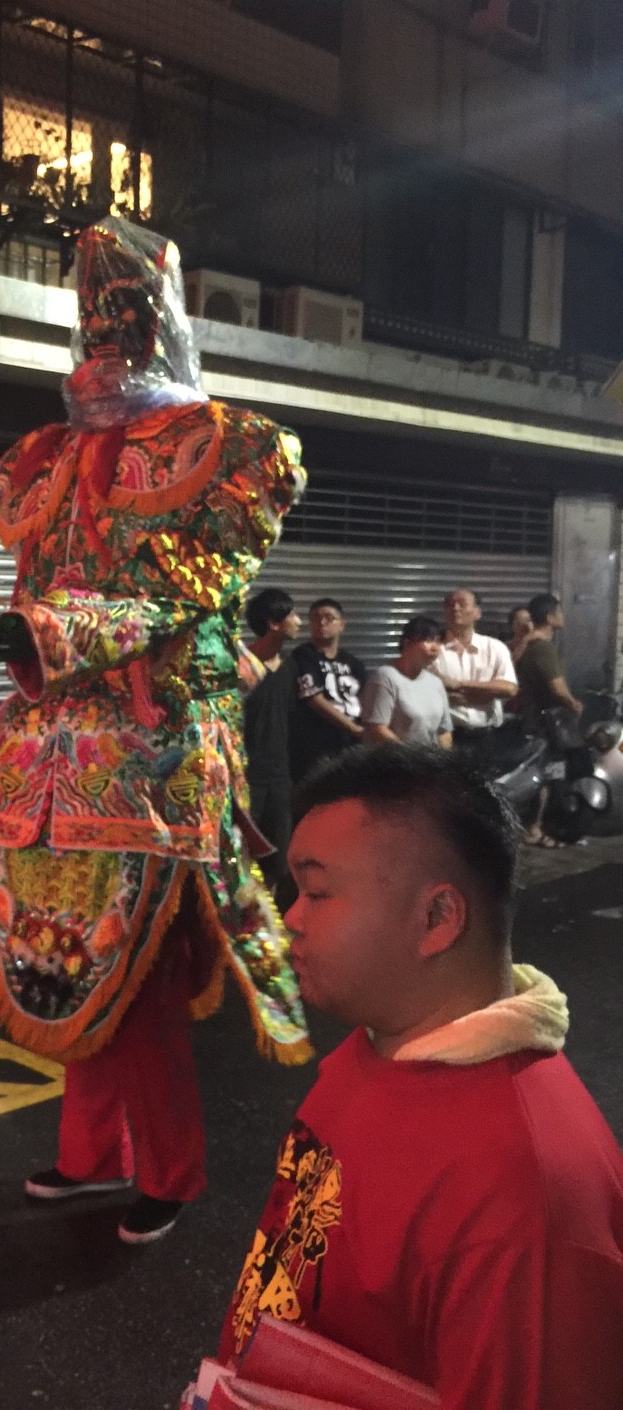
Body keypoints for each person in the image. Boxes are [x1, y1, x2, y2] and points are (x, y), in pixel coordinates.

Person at [0, 216, 310, 1248]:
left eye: (124, 317)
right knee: (67, 962)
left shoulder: (232, 449)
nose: (106, 342)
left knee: (145, 987)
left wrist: (53, 632)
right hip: (46, 774)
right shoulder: (45, 457)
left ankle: (169, 1170)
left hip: (155, 774)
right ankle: (87, 1158)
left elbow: (180, 596)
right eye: (96, 321)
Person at [217, 744, 623, 1408]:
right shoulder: (379, 1048)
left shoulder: (526, 1190)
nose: (289, 917)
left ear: (438, 918)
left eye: (316, 892)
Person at [243, 588, 301, 898]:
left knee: (279, 857)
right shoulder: (243, 665)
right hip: (247, 776)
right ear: (273, 623)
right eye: (292, 614)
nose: (299, 621)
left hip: (280, 775)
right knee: (243, 855)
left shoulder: (290, 667)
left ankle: (270, 922)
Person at [517, 593, 584, 849]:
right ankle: (538, 827)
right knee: (550, 776)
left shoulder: (531, 646)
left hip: (536, 721)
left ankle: (537, 825)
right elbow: (557, 688)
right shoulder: (543, 648)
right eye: (559, 612)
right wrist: (573, 704)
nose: (562, 616)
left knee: (547, 775)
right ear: (550, 617)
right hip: (549, 726)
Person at [290, 599, 366, 781]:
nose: (321, 622)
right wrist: (354, 729)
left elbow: (366, 696)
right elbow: (314, 698)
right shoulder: (303, 656)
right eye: (315, 618)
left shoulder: (352, 662)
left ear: (341, 625)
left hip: (351, 747)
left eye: (329, 618)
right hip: (317, 747)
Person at [430, 589, 517, 747]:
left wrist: (458, 685)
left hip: (488, 735)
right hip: (447, 738)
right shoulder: (434, 650)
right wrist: (485, 694)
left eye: (462, 604)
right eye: (450, 605)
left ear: (477, 612)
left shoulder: (495, 647)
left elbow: (509, 688)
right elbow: (430, 691)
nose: (455, 608)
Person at [361, 615, 452, 748]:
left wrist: (442, 758)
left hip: (429, 763)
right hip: (393, 762)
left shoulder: (435, 682)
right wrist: (411, 757)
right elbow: (378, 729)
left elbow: (444, 730)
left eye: (438, 641)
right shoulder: (385, 677)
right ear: (407, 643)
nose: (435, 647)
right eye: (428, 640)